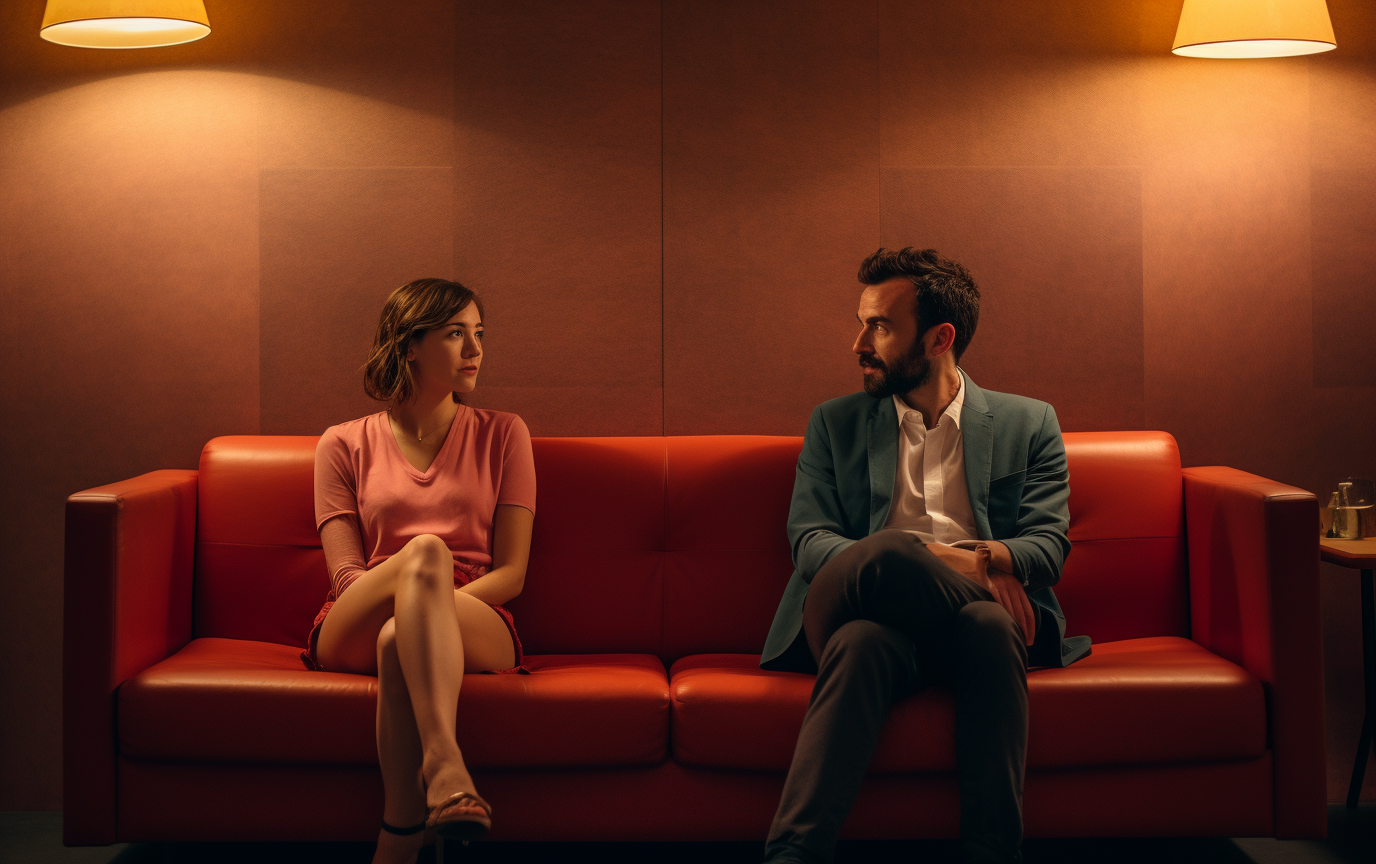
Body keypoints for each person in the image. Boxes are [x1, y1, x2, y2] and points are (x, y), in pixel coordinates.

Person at [759, 248, 1089, 864]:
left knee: (960, 629)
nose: (859, 342)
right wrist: (978, 568)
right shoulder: (835, 423)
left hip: (936, 632)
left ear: (941, 338)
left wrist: (972, 564)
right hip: (858, 591)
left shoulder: (1030, 423)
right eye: (862, 322)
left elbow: (1047, 548)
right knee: (891, 554)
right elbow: (811, 543)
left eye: (880, 326)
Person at [301, 278, 536, 864]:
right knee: (425, 555)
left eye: (479, 333)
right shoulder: (342, 443)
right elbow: (347, 575)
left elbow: (511, 573)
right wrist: (415, 580)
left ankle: (400, 834)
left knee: (397, 639)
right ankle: (444, 765)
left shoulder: (504, 434)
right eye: (456, 334)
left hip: (475, 614)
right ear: (410, 345)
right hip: (356, 612)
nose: (475, 349)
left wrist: (426, 609)